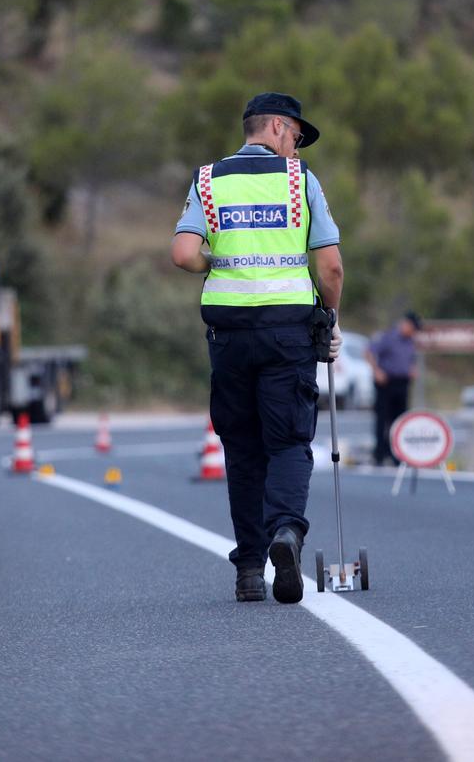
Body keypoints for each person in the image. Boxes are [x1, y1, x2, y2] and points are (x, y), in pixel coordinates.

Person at [171, 92, 344, 604]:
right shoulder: (300, 180)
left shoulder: (208, 179)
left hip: (228, 337)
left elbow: (183, 253)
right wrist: (330, 315)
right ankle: (286, 531)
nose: (296, 148)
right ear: (275, 127)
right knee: (288, 442)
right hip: (288, 334)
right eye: (296, 136)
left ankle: (249, 570)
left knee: (242, 450)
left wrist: (217, 263)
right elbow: (331, 267)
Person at [367, 312, 421, 467]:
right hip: (386, 382)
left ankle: (397, 454)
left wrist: (412, 369)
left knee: (400, 420)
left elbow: (411, 359)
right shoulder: (388, 337)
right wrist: (376, 371)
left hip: (402, 383)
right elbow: (369, 352)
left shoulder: (410, 341)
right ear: (406, 324)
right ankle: (379, 454)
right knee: (382, 419)